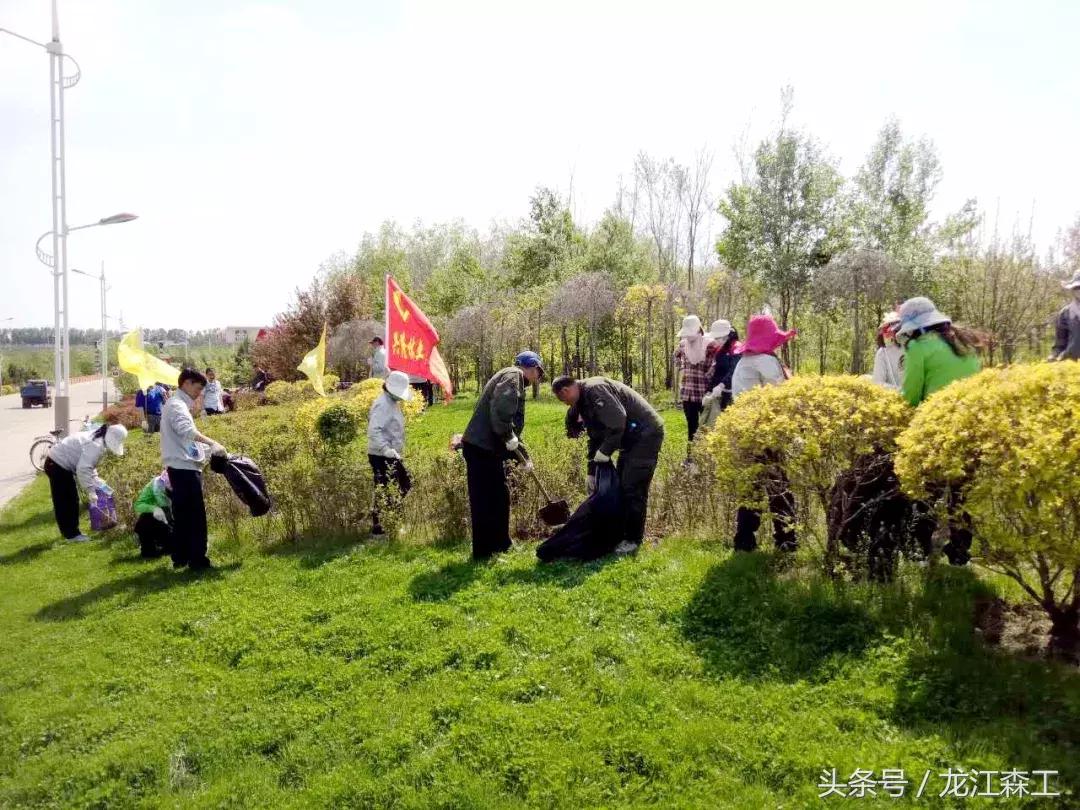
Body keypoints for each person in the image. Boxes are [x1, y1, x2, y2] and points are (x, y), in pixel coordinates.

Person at [896, 296, 983, 566]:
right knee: (961, 496)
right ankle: (960, 555)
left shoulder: (918, 348)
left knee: (924, 493)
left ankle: (920, 552)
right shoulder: (964, 344)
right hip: (968, 429)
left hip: (932, 430)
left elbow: (910, 396)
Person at [552, 375, 665, 556]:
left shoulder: (595, 390)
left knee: (632, 487)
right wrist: (591, 471)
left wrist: (605, 451)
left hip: (646, 435)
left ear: (565, 391)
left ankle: (632, 540)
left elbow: (618, 421)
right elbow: (595, 437)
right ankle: (620, 534)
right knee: (619, 485)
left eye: (563, 400)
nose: (565, 405)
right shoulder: (582, 401)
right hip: (630, 438)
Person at [460, 351, 544, 560]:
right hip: (481, 449)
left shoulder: (512, 378)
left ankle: (501, 544)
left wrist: (524, 456)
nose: (538, 377)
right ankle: (483, 552)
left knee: (499, 498)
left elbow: (510, 428)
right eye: (538, 372)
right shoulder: (513, 375)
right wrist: (507, 436)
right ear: (532, 367)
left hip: (489, 449)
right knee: (484, 501)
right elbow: (501, 412)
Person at [731, 314, 798, 552]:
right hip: (766, 433)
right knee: (779, 488)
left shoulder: (744, 361)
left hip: (747, 431)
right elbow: (783, 396)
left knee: (751, 487)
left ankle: (744, 540)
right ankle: (786, 541)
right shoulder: (765, 362)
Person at [162, 367, 227, 571]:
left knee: (182, 515)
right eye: (198, 387)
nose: (199, 393)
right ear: (187, 383)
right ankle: (197, 560)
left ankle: (180, 556)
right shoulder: (177, 406)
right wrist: (212, 443)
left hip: (180, 466)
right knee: (194, 516)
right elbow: (187, 431)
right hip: (184, 469)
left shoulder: (176, 403)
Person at [44, 423, 128, 542]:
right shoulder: (96, 445)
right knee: (66, 501)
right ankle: (71, 535)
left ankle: (71, 533)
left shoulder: (98, 439)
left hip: (58, 463)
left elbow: (89, 467)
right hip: (57, 464)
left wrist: (98, 482)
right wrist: (91, 490)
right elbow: (83, 469)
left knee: (70, 499)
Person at [896, 297, 981, 408]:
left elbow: (911, 396)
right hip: (973, 410)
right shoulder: (965, 338)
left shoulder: (917, 347)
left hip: (938, 414)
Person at [367, 370, 414, 536]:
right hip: (381, 455)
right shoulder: (383, 404)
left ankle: (390, 523)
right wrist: (385, 449)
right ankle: (380, 529)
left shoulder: (391, 402)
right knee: (388, 488)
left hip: (390, 453)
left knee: (399, 485)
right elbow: (374, 430)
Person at [673, 315, 715, 447]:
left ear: (698, 330)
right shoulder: (683, 345)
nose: (688, 337)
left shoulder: (710, 345)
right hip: (688, 394)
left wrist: (708, 379)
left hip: (704, 394)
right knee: (692, 428)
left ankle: (705, 459)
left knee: (706, 428)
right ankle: (691, 458)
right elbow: (675, 358)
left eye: (690, 334)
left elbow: (714, 368)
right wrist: (680, 365)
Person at [702, 320, 739, 427]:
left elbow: (734, 370)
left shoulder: (736, 348)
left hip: (734, 394)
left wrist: (722, 384)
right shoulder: (720, 351)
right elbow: (717, 372)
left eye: (717, 338)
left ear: (726, 336)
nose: (715, 340)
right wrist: (708, 391)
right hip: (721, 395)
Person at [133, 470, 173, 558]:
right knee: (145, 519)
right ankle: (149, 549)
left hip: (171, 520)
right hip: (154, 522)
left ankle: (169, 547)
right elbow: (138, 505)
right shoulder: (153, 485)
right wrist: (154, 508)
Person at [1049, 270, 1080, 362]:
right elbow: (1060, 344)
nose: (1079, 290)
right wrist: (1054, 356)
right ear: (1072, 290)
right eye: (1076, 287)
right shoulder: (1065, 313)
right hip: (1071, 365)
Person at [871, 312, 904, 390]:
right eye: (886, 329)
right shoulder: (882, 353)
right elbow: (878, 383)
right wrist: (898, 390)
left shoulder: (914, 347)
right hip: (894, 398)